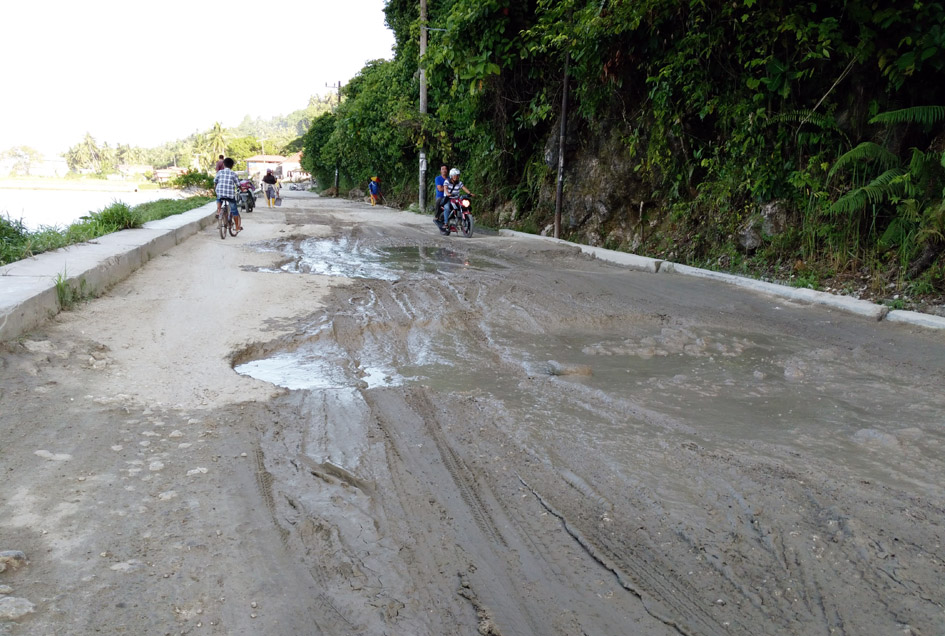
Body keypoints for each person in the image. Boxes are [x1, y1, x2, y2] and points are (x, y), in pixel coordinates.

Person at [438, 167, 474, 234]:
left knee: (464, 205)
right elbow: (445, 188)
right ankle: (446, 223)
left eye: (458, 175)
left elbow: (464, 188)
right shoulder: (447, 181)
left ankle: (462, 218)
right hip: (448, 198)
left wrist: (469, 193)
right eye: (455, 175)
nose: (457, 177)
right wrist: (448, 193)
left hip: (457, 198)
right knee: (447, 208)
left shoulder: (459, 183)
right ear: (451, 176)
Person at [214, 157, 242, 232]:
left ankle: (219, 211)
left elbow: (215, 181)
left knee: (219, 197)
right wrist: (242, 189)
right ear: (232, 166)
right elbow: (238, 184)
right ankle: (237, 228)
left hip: (220, 192)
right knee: (234, 210)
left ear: (223, 164)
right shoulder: (233, 174)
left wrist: (215, 190)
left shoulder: (220, 172)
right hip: (230, 195)